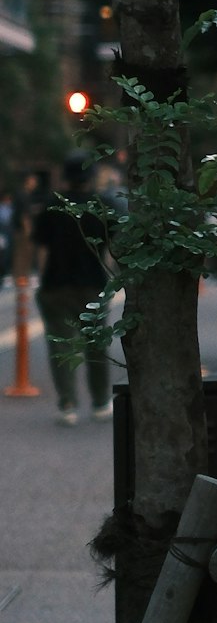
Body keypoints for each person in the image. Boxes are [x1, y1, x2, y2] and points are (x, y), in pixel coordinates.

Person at [32, 155, 113, 425]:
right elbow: (112, 249)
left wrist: (40, 280)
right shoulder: (102, 205)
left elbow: (41, 250)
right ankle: (101, 402)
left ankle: (68, 404)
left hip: (56, 284)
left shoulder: (52, 206)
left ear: (64, 176)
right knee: (96, 346)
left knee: (61, 345)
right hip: (93, 284)